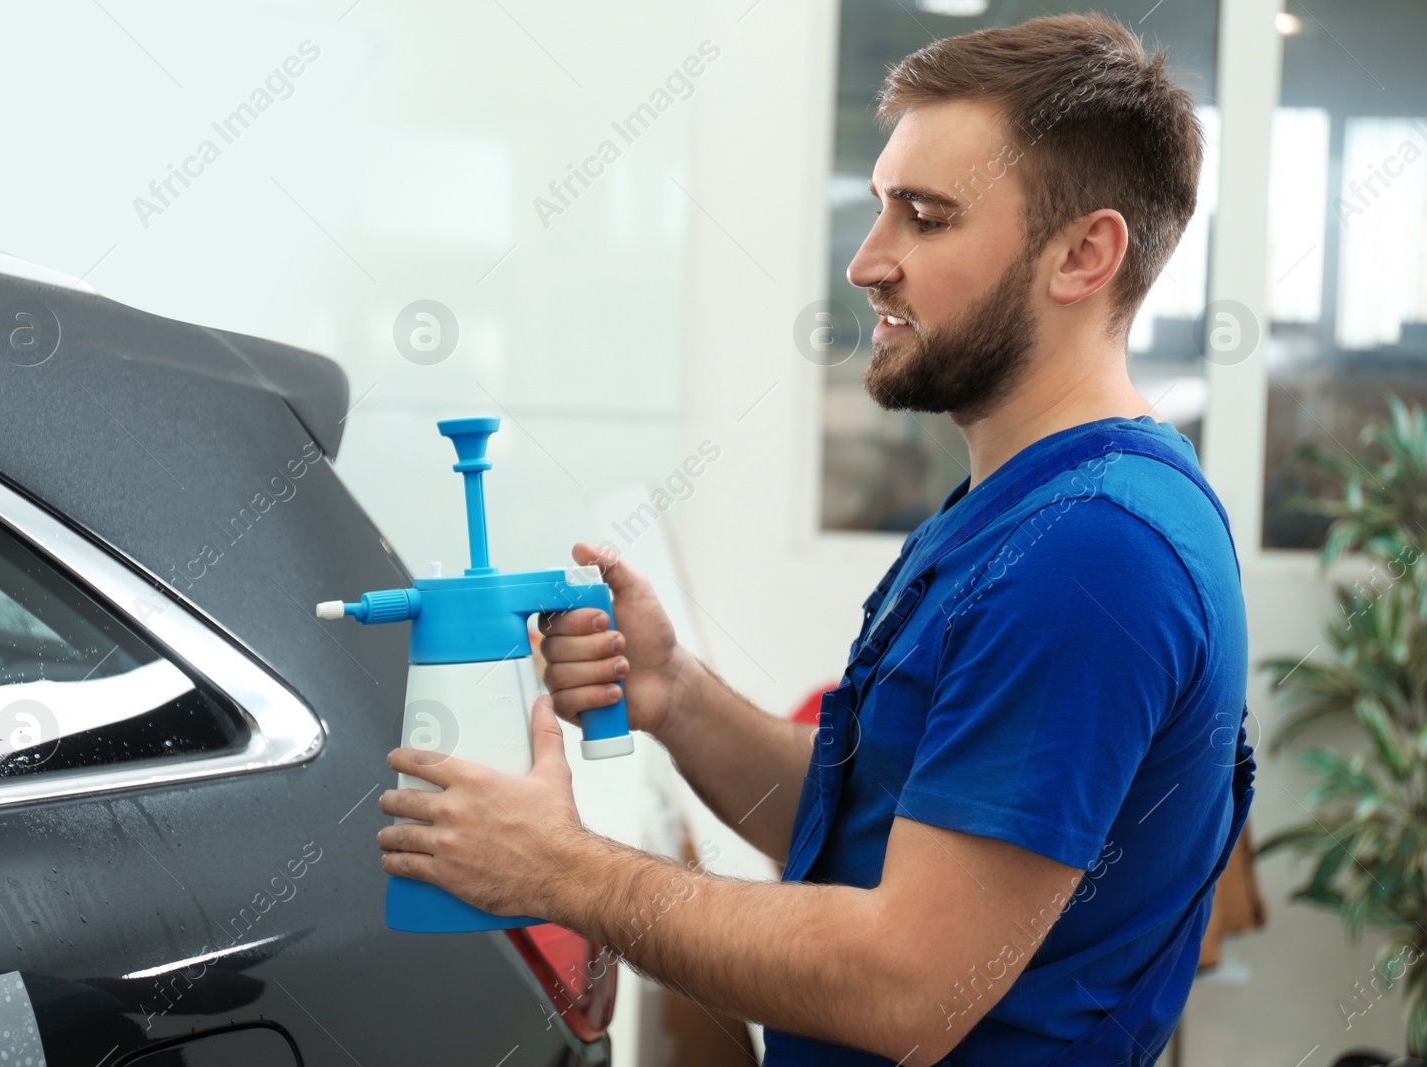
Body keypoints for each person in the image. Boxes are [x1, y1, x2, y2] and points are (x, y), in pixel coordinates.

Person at [377, 12, 1254, 1065]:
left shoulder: (1092, 552)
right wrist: (674, 695)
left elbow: (907, 986)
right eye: (881, 206)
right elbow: (882, 824)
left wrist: (563, 870)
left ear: (1082, 254)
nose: (866, 261)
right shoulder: (1024, 508)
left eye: (923, 218)